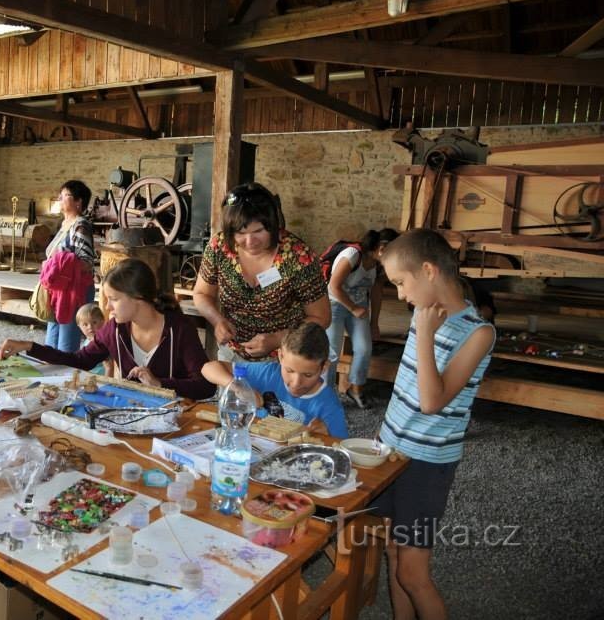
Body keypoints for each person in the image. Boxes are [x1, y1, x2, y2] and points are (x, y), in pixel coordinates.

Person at [372, 229, 495, 620]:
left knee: (414, 573)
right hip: (390, 449)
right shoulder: (422, 315)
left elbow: (432, 401)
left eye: (400, 283)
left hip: (426, 465)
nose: (401, 294)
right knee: (393, 551)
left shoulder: (478, 333)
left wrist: (424, 335)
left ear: (427, 270)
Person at [0, 258, 214, 400]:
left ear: (137, 298)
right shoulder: (115, 330)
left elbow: (206, 386)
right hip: (131, 415)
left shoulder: (180, 329)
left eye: (114, 299)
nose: (108, 307)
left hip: (175, 420)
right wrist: (29, 346)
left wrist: (160, 384)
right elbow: (80, 361)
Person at [193, 183, 330, 362]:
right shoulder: (219, 247)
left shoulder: (298, 256)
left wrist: (278, 339)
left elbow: (322, 317)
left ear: (273, 225)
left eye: (258, 231)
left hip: (285, 358)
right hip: (232, 354)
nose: (250, 241)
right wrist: (217, 320)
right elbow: (201, 293)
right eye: (240, 233)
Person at [202, 322, 349, 437]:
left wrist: (327, 437)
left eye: (308, 375)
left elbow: (342, 449)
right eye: (289, 370)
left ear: (324, 368)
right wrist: (239, 387)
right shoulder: (269, 373)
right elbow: (209, 368)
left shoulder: (329, 405)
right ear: (280, 357)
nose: (296, 382)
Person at [324, 228, 400, 408]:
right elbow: (333, 287)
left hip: (359, 307)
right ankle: (325, 396)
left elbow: (376, 292)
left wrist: (374, 323)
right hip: (335, 304)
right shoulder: (352, 255)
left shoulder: (379, 264)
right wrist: (353, 308)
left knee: (364, 348)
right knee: (332, 352)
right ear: (382, 247)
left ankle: (355, 389)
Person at [43, 179, 97, 352]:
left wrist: (57, 265)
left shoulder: (81, 225)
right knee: (52, 339)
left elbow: (86, 262)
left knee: (66, 342)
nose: (60, 198)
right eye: (61, 195)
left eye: (66, 195)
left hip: (74, 291)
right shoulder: (65, 225)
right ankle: (50, 377)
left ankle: (66, 377)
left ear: (78, 202)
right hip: (59, 290)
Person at [76, 302, 111, 376]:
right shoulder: (87, 340)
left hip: (100, 379)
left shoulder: (102, 344)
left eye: (94, 322)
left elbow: (109, 367)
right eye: (85, 324)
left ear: (102, 321)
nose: (90, 327)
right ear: (79, 327)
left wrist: (106, 384)